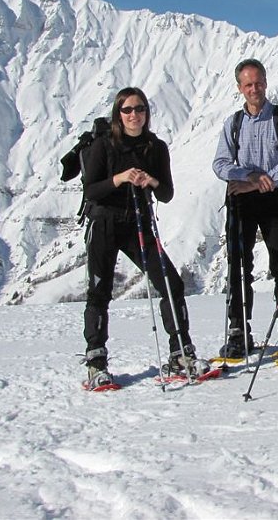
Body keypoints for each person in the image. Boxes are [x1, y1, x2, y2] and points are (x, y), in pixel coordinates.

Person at [81, 87, 206, 388]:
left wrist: (150, 181)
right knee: (100, 291)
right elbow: (90, 190)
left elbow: (166, 192)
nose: (134, 115)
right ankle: (96, 362)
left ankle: (180, 352)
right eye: (127, 110)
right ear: (118, 114)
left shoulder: (155, 147)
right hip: (105, 223)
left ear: (147, 113)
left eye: (139, 109)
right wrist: (120, 179)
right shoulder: (103, 145)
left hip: (138, 223)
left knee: (172, 284)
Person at [212, 59, 278, 359]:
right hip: (241, 203)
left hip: (274, 200)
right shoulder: (233, 124)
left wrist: (253, 182)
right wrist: (249, 176)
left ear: (266, 81)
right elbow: (220, 164)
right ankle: (238, 331)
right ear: (240, 88)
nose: (254, 89)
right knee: (238, 267)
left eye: (258, 82)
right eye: (248, 84)